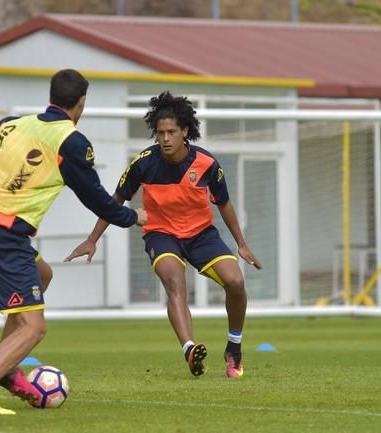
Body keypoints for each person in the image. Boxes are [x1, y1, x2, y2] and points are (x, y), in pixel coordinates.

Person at [0, 69, 147, 415]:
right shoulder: (72, 142)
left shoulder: (12, 125)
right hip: (6, 238)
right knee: (35, 329)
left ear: (51, 96)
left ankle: (6, 370)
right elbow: (95, 198)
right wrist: (132, 217)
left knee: (43, 275)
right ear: (81, 103)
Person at [65, 91, 261, 378]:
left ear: (185, 132)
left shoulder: (207, 164)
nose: (165, 138)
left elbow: (224, 203)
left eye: (171, 132)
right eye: (160, 133)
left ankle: (234, 347)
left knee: (235, 281)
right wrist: (92, 239)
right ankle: (190, 349)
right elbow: (114, 200)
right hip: (161, 234)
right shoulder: (143, 163)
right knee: (174, 281)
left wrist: (241, 244)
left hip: (202, 235)